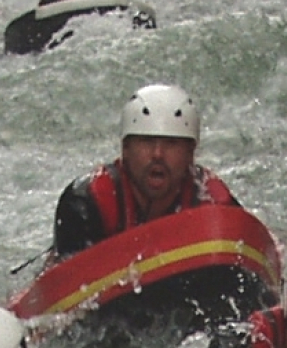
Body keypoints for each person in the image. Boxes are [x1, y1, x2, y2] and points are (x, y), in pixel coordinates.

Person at [52, 83, 240, 259]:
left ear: (190, 153)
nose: (158, 154)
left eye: (171, 143)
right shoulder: (86, 203)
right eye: (146, 141)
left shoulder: (213, 203)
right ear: (126, 148)